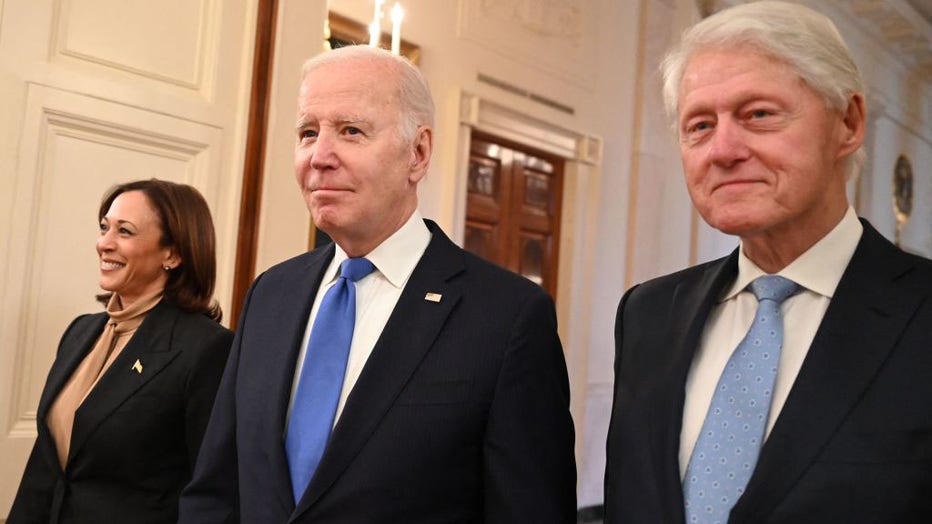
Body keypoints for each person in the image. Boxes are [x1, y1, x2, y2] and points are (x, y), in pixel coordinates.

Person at [179, 44, 576, 523]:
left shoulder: (507, 316)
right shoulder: (271, 294)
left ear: (418, 152)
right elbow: (218, 490)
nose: (319, 156)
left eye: (350, 131)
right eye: (308, 132)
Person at [605, 2, 932, 523]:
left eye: (758, 114)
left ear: (848, 123)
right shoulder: (647, 313)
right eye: (699, 125)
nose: (723, 150)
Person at [9, 179, 233, 523]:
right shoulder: (81, 331)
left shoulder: (207, 348)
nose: (104, 244)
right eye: (104, 227)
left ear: (172, 254)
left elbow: (213, 488)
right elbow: (46, 464)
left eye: (124, 231)